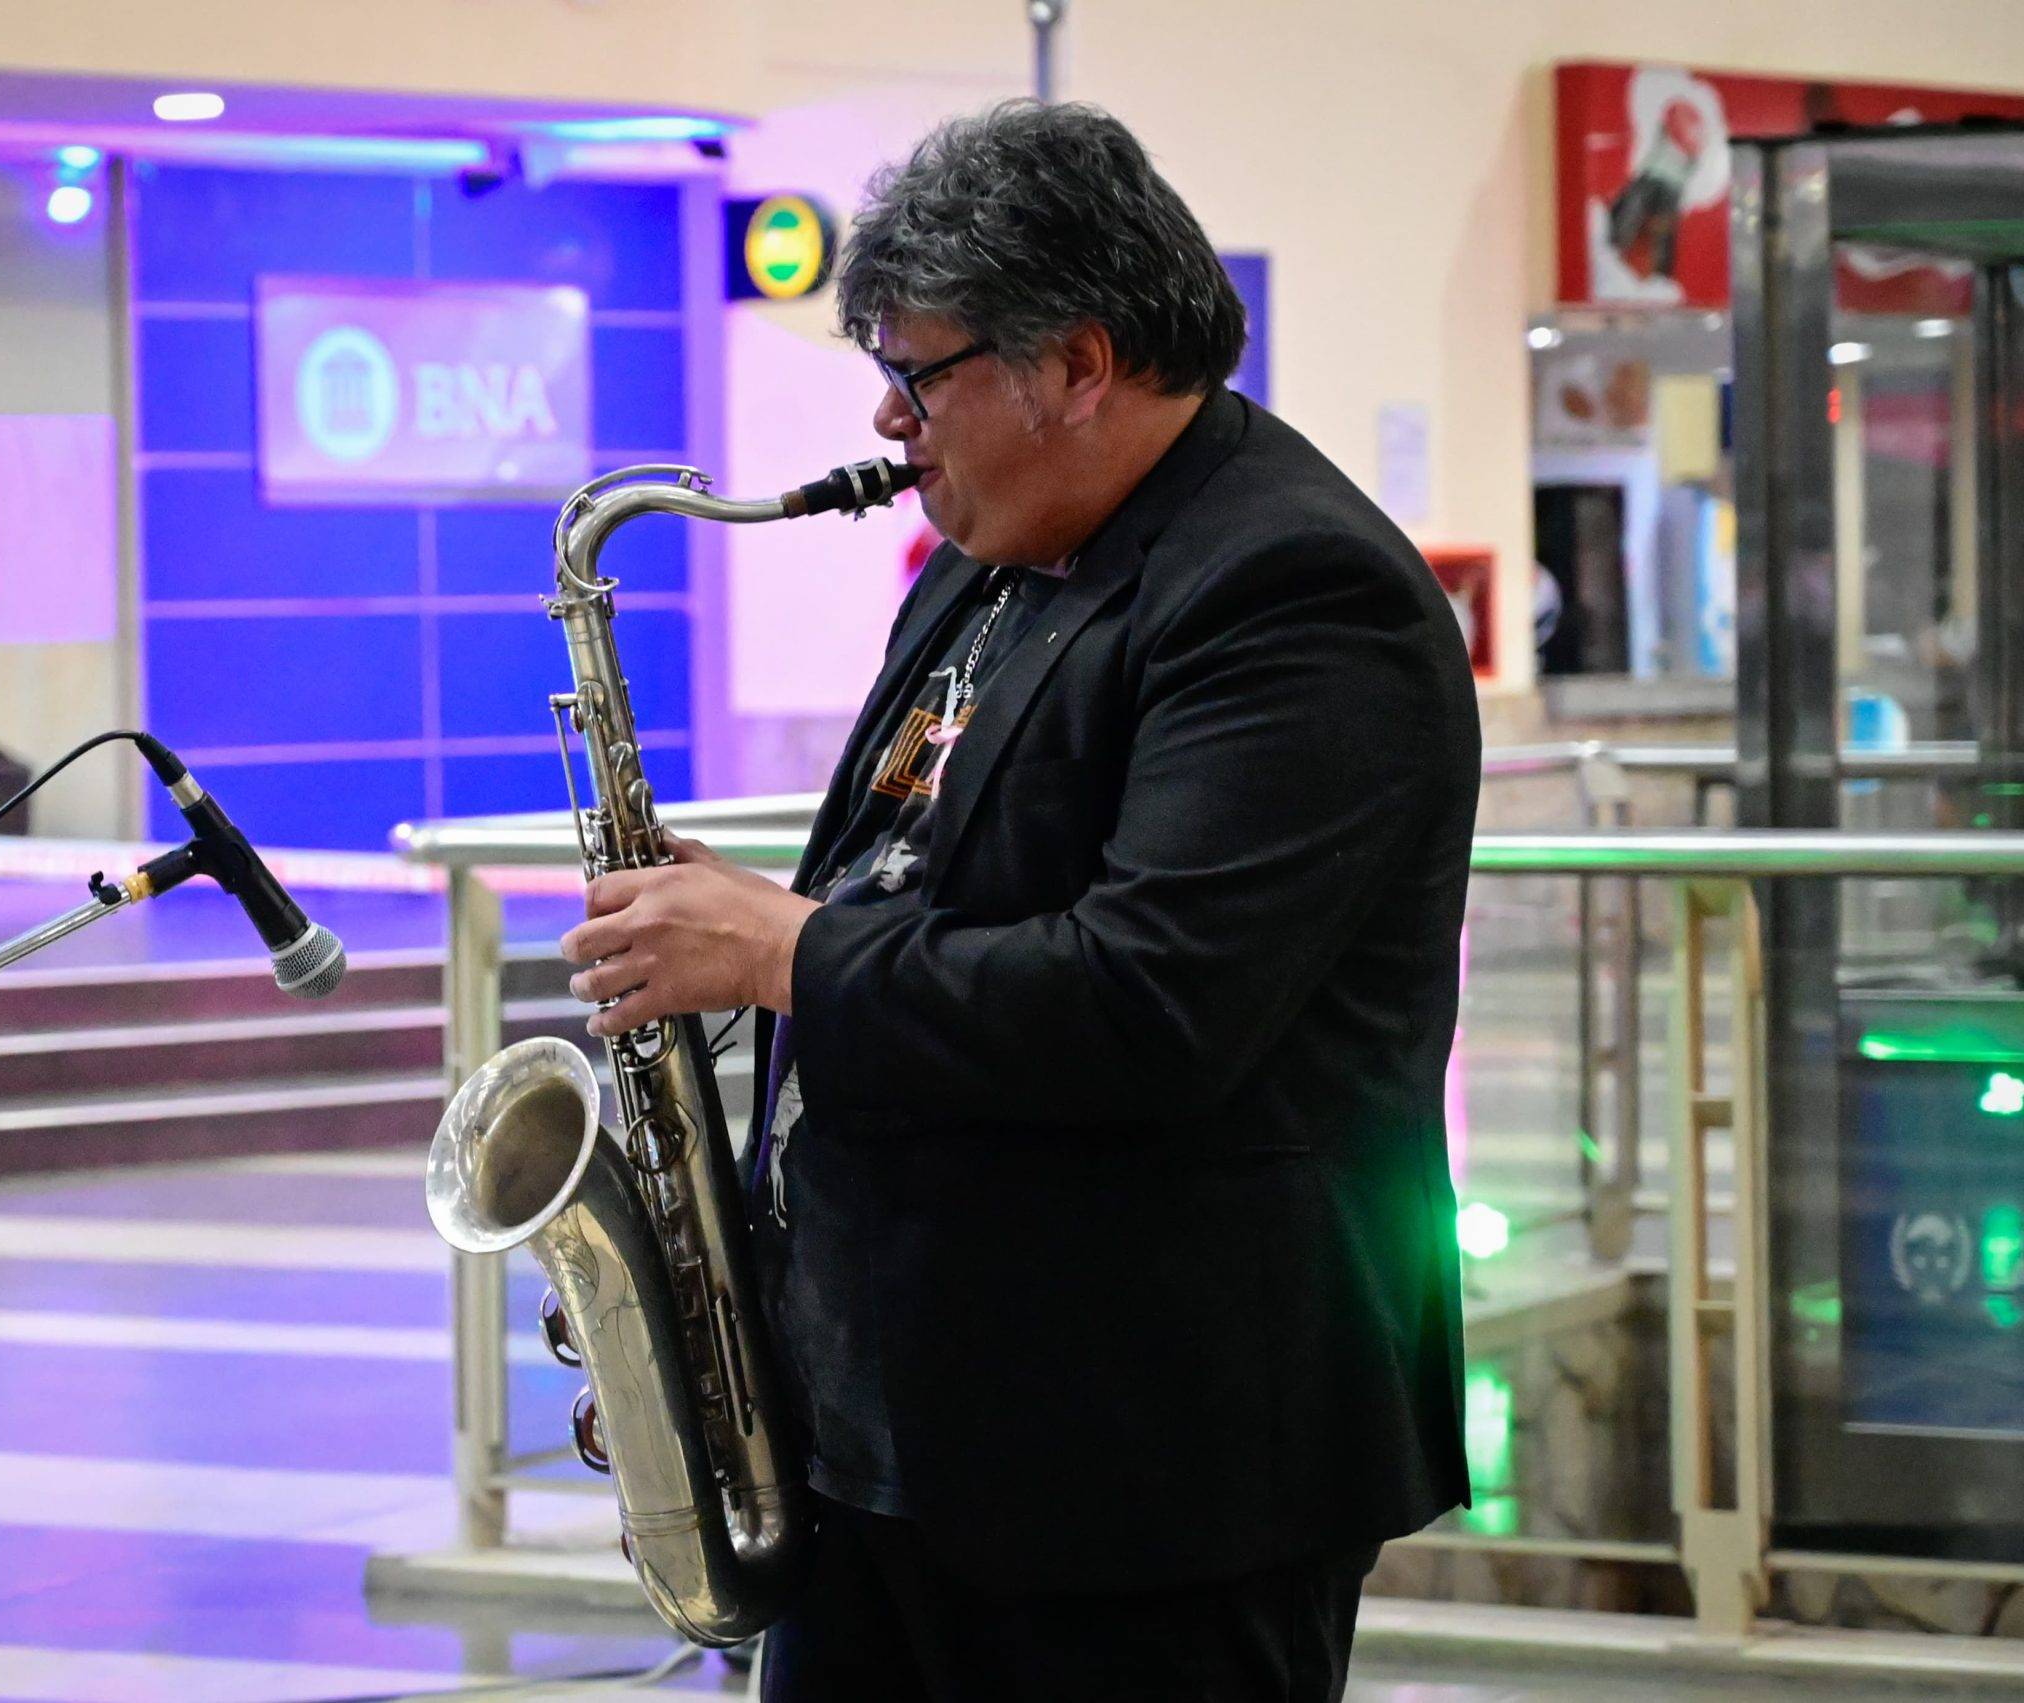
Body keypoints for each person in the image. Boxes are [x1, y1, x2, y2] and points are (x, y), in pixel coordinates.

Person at [560, 102, 1478, 1701]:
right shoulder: (991, 556)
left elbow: (1149, 1002)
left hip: (1151, 1468)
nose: (890, 422)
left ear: (1078, 361)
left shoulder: (1294, 591)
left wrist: (792, 952)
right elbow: (927, 881)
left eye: (921, 374)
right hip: (906, 1432)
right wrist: (755, 925)